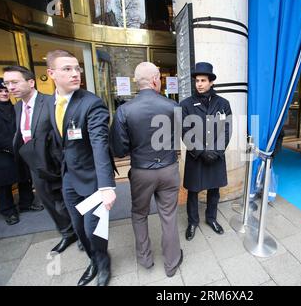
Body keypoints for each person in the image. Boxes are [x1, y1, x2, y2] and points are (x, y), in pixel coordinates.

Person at [46, 49, 117, 286]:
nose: (75, 73)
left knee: (92, 229)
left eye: (77, 68)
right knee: (78, 227)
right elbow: (57, 141)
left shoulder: (91, 103)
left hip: (93, 180)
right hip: (68, 178)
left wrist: (106, 185)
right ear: (51, 73)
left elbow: (99, 144)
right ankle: (93, 260)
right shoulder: (50, 102)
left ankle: (103, 264)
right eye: (67, 69)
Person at [110, 62, 183, 278]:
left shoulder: (124, 110)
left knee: (139, 214)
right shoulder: (173, 106)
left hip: (141, 171)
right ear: (155, 79)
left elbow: (120, 149)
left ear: (137, 82)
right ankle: (171, 264)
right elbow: (177, 137)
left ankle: (145, 258)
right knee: (168, 215)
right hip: (169, 169)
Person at [3, 66, 78, 254]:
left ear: (30, 82)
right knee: (48, 202)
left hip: (57, 163)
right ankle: (67, 233)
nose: (10, 87)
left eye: (15, 82)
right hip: (34, 163)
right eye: (7, 83)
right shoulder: (18, 106)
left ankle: (81, 233)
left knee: (68, 201)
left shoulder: (51, 102)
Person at [0, 78, 42, 225]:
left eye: (6, 90)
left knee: (24, 178)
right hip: (1, 152)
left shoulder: (17, 107)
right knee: (4, 185)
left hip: (20, 150)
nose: (4, 93)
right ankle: (8, 211)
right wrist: (12, 145)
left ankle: (26, 204)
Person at [181, 62, 232, 241]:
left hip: (216, 156)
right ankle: (192, 222)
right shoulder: (186, 105)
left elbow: (227, 130)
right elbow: (185, 132)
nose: (199, 84)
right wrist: (202, 152)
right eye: (197, 81)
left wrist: (216, 152)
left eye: (203, 80)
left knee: (214, 190)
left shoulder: (223, 104)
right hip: (196, 157)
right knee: (193, 191)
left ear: (211, 82)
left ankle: (211, 219)